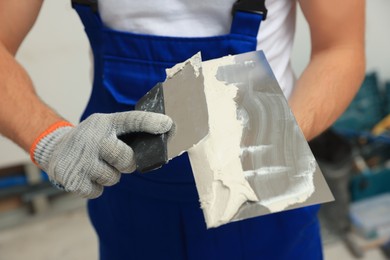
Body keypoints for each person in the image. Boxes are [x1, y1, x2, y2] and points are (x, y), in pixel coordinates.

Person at [0, 0, 365, 259]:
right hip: (129, 196)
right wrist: (50, 138)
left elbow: (340, 48)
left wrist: (275, 134)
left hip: (263, 179)